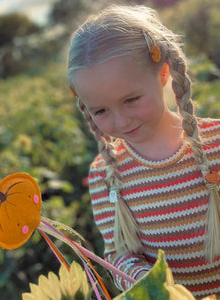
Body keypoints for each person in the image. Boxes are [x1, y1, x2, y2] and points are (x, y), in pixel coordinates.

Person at [67, 4, 220, 299]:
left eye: (131, 100)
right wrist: (147, 282)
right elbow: (117, 254)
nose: (121, 121)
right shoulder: (106, 175)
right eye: (100, 110)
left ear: (163, 73)